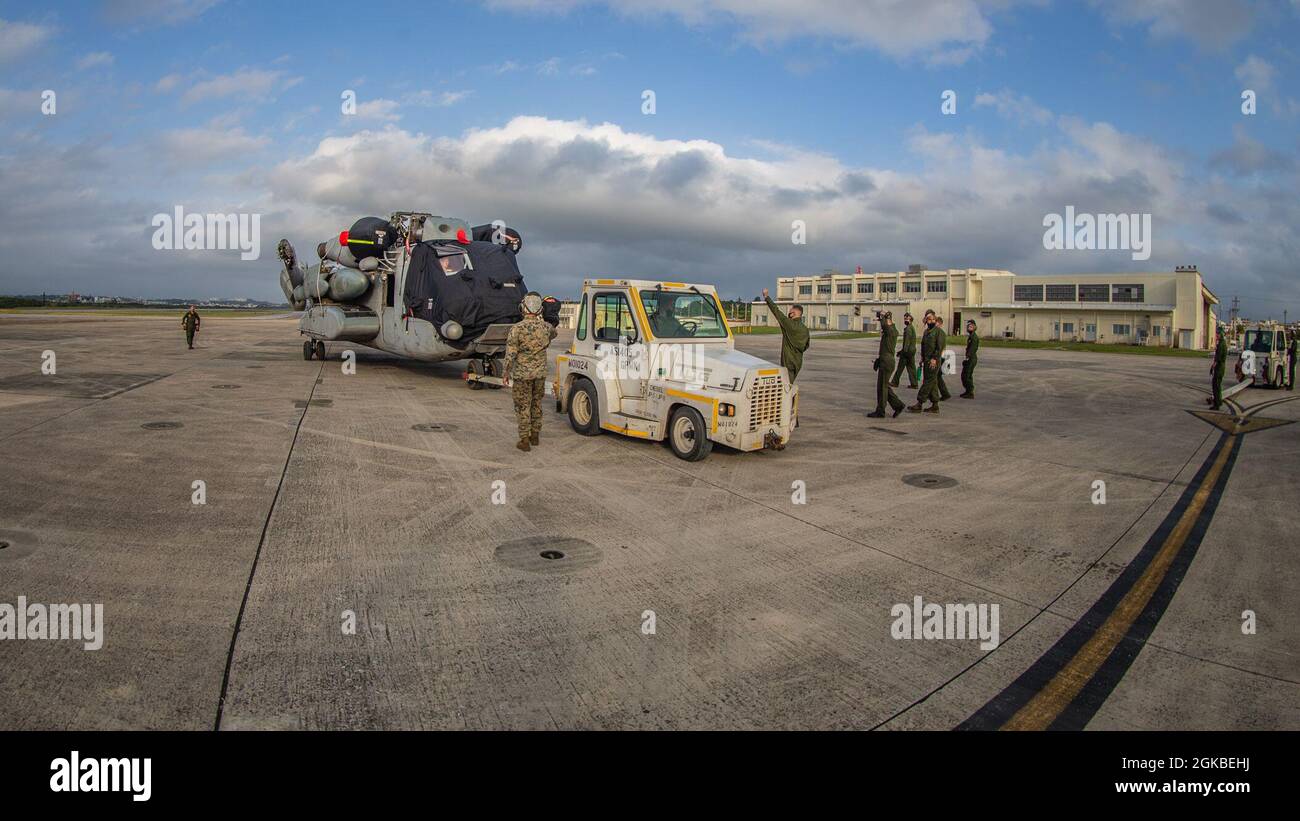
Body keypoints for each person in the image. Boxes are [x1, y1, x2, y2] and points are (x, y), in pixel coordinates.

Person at [503, 292, 558, 451]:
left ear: (523, 308)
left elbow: (511, 353)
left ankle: (524, 440)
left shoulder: (517, 329)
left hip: (522, 375)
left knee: (522, 406)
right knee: (536, 404)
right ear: (540, 309)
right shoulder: (546, 327)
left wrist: (506, 372)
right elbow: (553, 333)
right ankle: (535, 435)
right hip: (540, 374)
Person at [762, 288, 810, 382]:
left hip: (788, 361)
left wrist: (766, 297)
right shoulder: (805, 329)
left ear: (794, 313)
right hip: (798, 362)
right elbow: (806, 345)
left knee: (785, 387)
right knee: (790, 383)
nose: (789, 313)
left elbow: (776, 312)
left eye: (790, 311)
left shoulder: (789, 324)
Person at [868, 311, 905, 418]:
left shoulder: (891, 331)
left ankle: (881, 411)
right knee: (883, 387)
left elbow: (885, 325)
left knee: (882, 388)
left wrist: (883, 316)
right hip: (885, 360)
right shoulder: (890, 331)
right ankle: (898, 405)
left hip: (887, 362)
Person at [909, 310, 942, 414]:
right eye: (928, 319)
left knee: (927, 382)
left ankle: (919, 402)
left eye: (932, 319)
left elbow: (939, 347)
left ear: (935, 320)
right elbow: (923, 346)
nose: (930, 321)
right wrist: (922, 358)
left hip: (933, 361)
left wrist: (934, 359)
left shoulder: (939, 332)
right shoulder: (926, 332)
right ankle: (935, 405)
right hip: (927, 360)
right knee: (932, 382)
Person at [890, 312, 918, 388]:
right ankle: (914, 384)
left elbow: (907, 342)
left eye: (906, 318)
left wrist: (902, 352)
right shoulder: (911, 327)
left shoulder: (908, 329)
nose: (905, 320)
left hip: (907, 352)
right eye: (905, 318)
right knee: (911, 368)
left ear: (910, 320)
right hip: (911, 351)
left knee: (900, 367)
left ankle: (895, 382)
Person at [1207, 323, 1228, 410]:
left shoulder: (1221, 345)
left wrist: (1213, 367)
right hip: (1221, 367)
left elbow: (1218, 358)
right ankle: (1219, 401)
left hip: (1219, 367)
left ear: (1221, 334)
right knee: (1218, 385)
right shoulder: (1223, 343)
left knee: (1216, 385)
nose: (1216, 335)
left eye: (1218, 334)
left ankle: (1217, 404)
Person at [960, 319, 979, 398]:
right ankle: (968, 391)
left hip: (971, 359)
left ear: (974, 327)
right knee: (967, 375)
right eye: (968, 326)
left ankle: (970, 392)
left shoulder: (974, 337)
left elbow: (972, 349)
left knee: (965, 376)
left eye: (971, 326)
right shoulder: (971, 336)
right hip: (971, 358)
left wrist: (967, 358)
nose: (969, 327)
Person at [933, 315, 952, 401]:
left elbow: (940, 347)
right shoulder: (936, 332)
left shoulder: (940, 333)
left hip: (940, 357)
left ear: (940, 324)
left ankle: (944, 393)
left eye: (936, 322)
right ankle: (944, 393)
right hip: (939, 356)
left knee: (936, 376)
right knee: (937, 376)